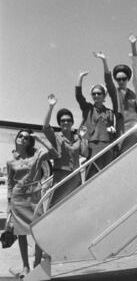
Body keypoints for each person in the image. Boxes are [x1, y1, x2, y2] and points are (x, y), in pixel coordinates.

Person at [6, 130, 53, 278]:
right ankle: (25, 266)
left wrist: (40, 140)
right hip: (18, 199)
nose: (23, 139)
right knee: (21, 234)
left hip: (34, 198)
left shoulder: (37, 155)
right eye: (20, 136)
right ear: (16, 139)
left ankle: (37, 263)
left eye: (26, 138)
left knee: (38, 231)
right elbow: (10, 184)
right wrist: (9, 207)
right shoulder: (10, 162)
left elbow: (55, 154)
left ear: (29, 142)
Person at [43, 94, 88, 206]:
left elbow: (85, 153)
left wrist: (84, 138)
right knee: (55, 206)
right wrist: (51, 107)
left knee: (74, 206)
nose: (66, 122)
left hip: (75, 176)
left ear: (72, 122)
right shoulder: (56, 137)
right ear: (59, 123)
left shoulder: (78, 137)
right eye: (62, 120)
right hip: (60, 176)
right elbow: (46, 127)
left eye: (68, 120)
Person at [93, 53, 137, 154]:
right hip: (123, 127)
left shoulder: (133, 94)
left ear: (128, 79)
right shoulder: (116, 93)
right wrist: (104, 61)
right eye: (118, 79)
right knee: (124, 154)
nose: (121, 81)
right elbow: (108, 81)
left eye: (124, 79)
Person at [75, 72, 116, 178]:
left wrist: (112, 129)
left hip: (107, 146)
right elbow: (79, 96)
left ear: (104, 95)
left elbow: (111, 129)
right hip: (93, 145)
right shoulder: (87, 109)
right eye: (94, 94)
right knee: (92, 175)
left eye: (99, 93)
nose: (96, 96)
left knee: (107, 175)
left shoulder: (110, 112)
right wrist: (80, 78)